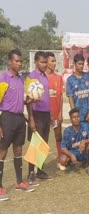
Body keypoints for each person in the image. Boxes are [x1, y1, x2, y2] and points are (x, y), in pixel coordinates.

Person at [0, 49, 35, 201]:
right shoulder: (3, 78)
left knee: (18, 149)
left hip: (20, 118)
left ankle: (20, 182)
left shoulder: (21, 80)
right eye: (17, 61)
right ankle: (0, 187)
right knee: (2, 151)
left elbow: (20, 100)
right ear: (10, 61)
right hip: (6, 118)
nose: (20, 63)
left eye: (21, 61)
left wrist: (28, 102)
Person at [27, 51, 52, 184]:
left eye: (45, 62)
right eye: (42, 62)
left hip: (46, 114)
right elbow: (28, 100)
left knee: (43, 144)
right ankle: (31, 173)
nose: (44, 64)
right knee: (35, 144)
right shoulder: (32, 77)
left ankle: (40, 170)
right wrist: (31, 118)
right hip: (36, 114)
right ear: (36, 62)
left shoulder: (44, 76)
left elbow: (47, 98)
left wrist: (51, 114)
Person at [59, 108, 89, 176]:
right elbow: (63, 148)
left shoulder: (85, 126)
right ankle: (71, 165)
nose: (76, 119)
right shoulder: (67, 131)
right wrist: (71, 155)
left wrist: (84, 141)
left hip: (83, 151)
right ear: (70, 119)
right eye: (74, 117)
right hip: (73, 152)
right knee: (62, 159)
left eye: (78, 117)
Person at [45, 52, 65, 171]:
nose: (54, 63)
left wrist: (60, 112)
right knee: (43, 139)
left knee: (58, 136)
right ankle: (39, 164)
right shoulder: (41, 78)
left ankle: (60, 160)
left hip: (56, 113)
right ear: (46, 62)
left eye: (54, 61)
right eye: (51, 61)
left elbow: (61, 96)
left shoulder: (58, 78)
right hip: (44, 115)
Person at [66, 54, 89, 124]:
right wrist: (74, 115)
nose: (81, 66)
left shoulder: (88, 76)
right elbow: (70, 98)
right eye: (79, 64)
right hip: (77, 115)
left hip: (88, 114)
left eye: (82, 64)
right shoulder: (70, 80)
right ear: (74, 64)